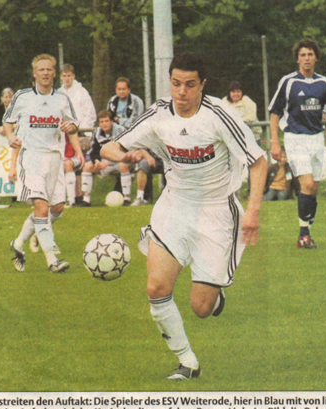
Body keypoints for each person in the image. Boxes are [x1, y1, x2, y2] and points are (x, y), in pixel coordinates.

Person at [100, 52, 267, 380]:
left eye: (190, 85)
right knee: (156, 288)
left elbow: (258, 161)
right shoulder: (159, 113)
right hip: (175, 205)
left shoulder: (220, 115)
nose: (181, 92)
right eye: (176, 84)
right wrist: (129, 155)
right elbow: (108, 148)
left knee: (201, 308)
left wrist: (253, 210)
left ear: (202, 85)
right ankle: (187, 362)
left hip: (217, 210)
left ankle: (215, 296)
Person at [5, 53, 84, 273]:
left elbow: (73, 124)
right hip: (31, 158)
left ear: (55, 73)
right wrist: (11, 137)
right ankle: (52, 260)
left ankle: (19, 243)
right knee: (41, 206)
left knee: (56, 208)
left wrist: (74, 137)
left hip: (55, 159)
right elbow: (7, 122)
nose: (46, 73)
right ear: (35, 73)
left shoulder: (62, 99)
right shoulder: (22, 97)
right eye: (41, 70)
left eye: (49, 69)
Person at [269, 39, 326, 249]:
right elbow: (275, 112)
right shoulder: (288, 82)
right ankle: (304, 235)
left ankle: (306, 229)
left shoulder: (323, 83)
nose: (307, 58)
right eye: (303, 55)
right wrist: (275, 142)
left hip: (317, 139)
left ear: (316, 58)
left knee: (313, 188)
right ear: (297, 59)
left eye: (310, 55)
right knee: (306, 184)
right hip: (295, 138)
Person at [58, 64, 98, 206]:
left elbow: (90, 114)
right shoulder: (58, 93)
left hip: (81, 133)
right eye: (64, 76)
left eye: (69, 75)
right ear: (61, 77)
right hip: (64, 133)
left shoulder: (82, 92)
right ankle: (71, 196)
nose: (67, 78)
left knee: (81, 164)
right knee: (66, 162)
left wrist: (83, 131)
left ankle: (83, 196)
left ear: (73, 76)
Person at [79, 110, 128, 206]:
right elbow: (93, 150)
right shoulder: (97, 132)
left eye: (106, 121)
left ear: (111, 121)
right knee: (87, 166)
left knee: (123, 165)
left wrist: (109, 163)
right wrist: (96, 161)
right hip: (103, 163)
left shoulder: (120, 130)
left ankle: (127, 198)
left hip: (119, 161)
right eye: (102, 122)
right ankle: (86, 199)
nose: (104, 124)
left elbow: (125, 150)